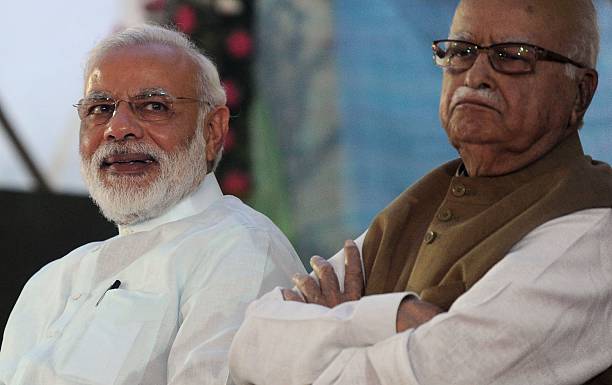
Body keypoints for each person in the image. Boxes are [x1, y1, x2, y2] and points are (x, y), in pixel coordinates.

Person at [228, 0, 612, 384]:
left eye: (513, 56)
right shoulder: (420, 203)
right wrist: (394, 317)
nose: (476, 75)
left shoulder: (591, 227)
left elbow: (433, 374)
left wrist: (336, 324)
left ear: (580, 93)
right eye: (460, 52)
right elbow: (249, 343)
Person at [0, 25, 305, 385]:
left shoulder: (239, 248)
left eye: (153, 106)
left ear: (212, 130)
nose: (118, 128)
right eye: (100, 108)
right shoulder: (52, 281)